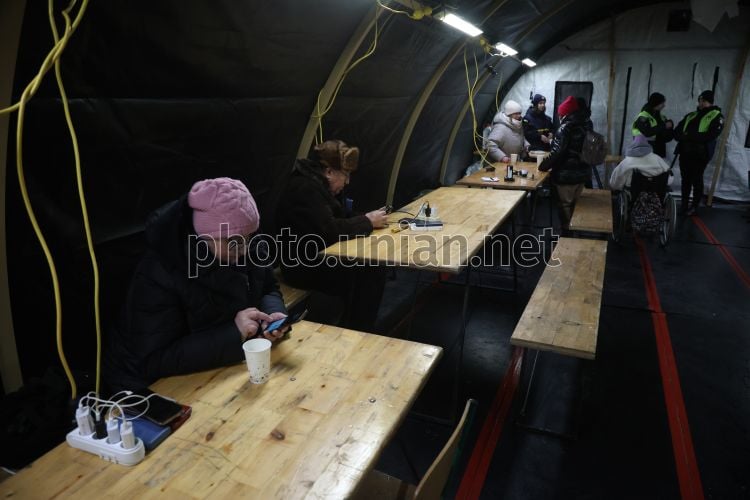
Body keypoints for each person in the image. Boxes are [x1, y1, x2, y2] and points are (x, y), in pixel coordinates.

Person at [104, 178, 288, 393]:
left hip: (221, 365)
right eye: (232, 241)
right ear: (204, 236)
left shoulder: (244, 240)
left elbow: (268, 287)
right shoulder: (160, 273)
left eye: (249, 237)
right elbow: (154, 359)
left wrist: (273, 314)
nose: (244, 248)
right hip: (147, 386)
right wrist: (234, 332)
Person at [277, 139, 388, 332]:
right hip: (301, 267)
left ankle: (354, 328)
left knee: (368, 268)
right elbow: (330, 231)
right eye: (345, 175)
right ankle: (357, 331)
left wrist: (368, 218)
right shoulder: (305, 189)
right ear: (329, 172)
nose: (347, 181)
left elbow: (339, 218)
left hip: (314, 259)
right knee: (368, 271)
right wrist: (367, 221)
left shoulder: (316, 186)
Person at [539, 95, 590, 229]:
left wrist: (543, 166)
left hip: (566, 175)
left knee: (565, 205)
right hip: (583, 172)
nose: (559, 116)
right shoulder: (586, 124)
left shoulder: (565, 128)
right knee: (576, 205)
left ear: (565, 114)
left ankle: (568, 233)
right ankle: (576, 231)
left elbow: (557, 152)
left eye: (560, 114)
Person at [674, 90, 724, 215]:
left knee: (696, 180)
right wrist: (688, 136)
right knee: (685, 180)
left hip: (700, 155)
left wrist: (687, 135)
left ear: (709, 102)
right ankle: (684, 204)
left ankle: (695, 206)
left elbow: (710, 135)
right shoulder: (691, 115)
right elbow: (677, 133)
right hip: (685, 152)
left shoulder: (716, 116)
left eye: (703, 101)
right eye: (700, 100)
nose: (701, 103)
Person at [632, 92, 674, 158]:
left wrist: (670, 127)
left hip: (658, 152)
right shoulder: (643, 116)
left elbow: (666, 137)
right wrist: (664, 126)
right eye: (662, 103)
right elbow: (647, 132)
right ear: (656, 103)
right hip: (644, 152)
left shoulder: (661, 117)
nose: (664, 105)